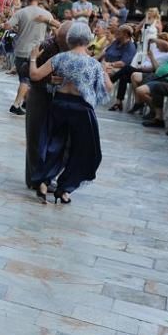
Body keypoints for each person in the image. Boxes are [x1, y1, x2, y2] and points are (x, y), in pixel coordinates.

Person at [29, 22, 112, 203]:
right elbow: (108, 88)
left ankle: (43, 181)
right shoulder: (93, 64)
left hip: (59, 104)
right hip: (81, 109)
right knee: (83, 151)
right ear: (88, 40)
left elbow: (35, 75)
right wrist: (105, 72)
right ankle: (65, 189)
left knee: (53, 144)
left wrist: (33, 58)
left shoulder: (60, 58)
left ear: (70, 38)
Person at [25, 21, 72, 190]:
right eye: (62, 42)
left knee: (59, 141)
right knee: (36, 138)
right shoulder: (47, 46)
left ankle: (46, 177)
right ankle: (34, 179)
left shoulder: (72, 49)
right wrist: (48, 78)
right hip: (40, 95)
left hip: (60, 99)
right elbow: (26, 70)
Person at [8, 0, 56, 116]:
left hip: (21, 49)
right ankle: (17, 103)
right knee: (27, 79)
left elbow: (8, 26)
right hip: (37, 50)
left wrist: (18, 28)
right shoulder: (46, 14)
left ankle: (24, 102)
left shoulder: (21, 12)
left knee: (23, 78)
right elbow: (56, 29)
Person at [100, 25, 138, 111]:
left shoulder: (130, 46)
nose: (116, 33)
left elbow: (123, 63)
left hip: (117, 68)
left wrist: (110, 64)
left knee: (104, 73)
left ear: (125, 34)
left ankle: (98, 92)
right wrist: (104, 62)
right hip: (106, 64)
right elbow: (106, 53)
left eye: (119, 32)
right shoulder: (116, 42)